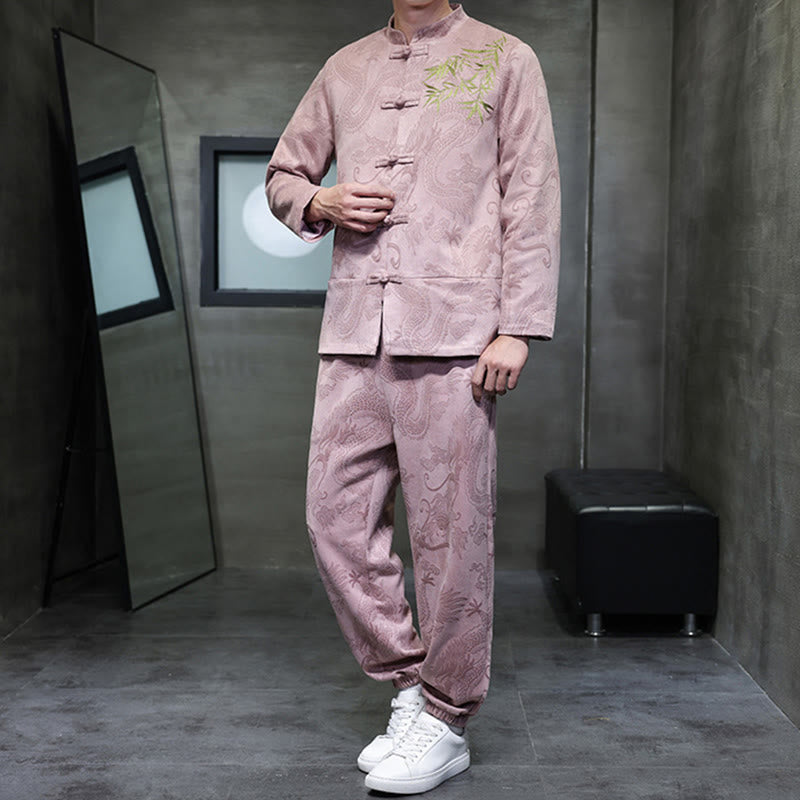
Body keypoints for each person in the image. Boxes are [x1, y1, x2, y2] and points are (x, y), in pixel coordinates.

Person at [266, 0, 560, 793]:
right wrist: (319, 202)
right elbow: (284, 174)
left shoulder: (505, 58)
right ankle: (409, 685)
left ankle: (448, 718)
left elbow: (532, 195)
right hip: (353, 330)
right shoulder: (345, 66)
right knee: (333, 518)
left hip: (457, 335)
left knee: (451, 536)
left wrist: (519, 328)